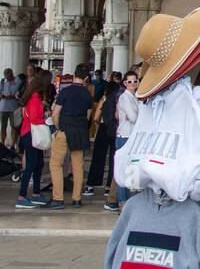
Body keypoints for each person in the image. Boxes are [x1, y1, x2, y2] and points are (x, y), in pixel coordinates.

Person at [47, 63, 93, 211]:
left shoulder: (65, 92)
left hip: (65, 129)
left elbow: (55, 113)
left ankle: (58, 198)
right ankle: (76, 199)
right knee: (78, 166)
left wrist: (56, 128)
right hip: (80, 131)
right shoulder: (87, 94)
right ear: (86, 78)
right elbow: (88, 115)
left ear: (74, 75)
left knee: (56, 164)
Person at [14, 71, 52, 209]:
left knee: (38, 164)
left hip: (28, 133)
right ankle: (21, 197)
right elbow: (35, 118)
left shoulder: (32, 96)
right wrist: (45, 116)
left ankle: (36, 193)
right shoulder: (36, 98)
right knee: (31, 165)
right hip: (31, 134)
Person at [105, 71, 139, 212]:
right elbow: (133, 116)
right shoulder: (125, 98)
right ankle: (123, 202)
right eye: (129, 81)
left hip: (130, 136)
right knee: (124, 170)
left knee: (129, 170)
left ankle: (126, 201)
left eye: (134, 81)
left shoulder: (134, 97)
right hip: (125, 136)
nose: (132, 84)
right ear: (125, 83)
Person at [83, 75, 121, 197]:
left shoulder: (104, 98)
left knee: (98, 157)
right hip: (116, 129)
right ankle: (109, 186)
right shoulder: (119, 99)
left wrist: (99, 123)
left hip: (104, 128)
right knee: (113, 158)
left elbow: (95, 117)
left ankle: (91, 185)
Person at [0, 68, 18, 151]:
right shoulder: (2, 83)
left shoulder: (15, 83)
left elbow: (14, 94)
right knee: (3, 126)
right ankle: (2, 143)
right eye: (5, 74)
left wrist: (7, 96)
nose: (7, 76)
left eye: (8, 74)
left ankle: (13, 144)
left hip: (13, 107)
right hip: (3, 107)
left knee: (13, 126)